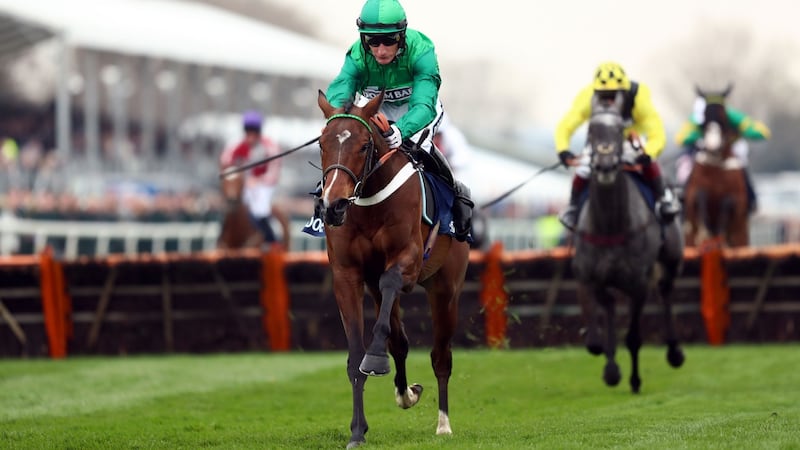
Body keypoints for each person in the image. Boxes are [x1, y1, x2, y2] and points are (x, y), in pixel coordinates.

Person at [319, 0, 474, 242]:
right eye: (373, 41)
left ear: (401, 36)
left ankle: (458, 199)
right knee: (347, 148)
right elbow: (341, 88)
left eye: (389, 40)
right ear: (364, 39)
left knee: (418, 151)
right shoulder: (357, 56)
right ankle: (326, 201)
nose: (381, 49)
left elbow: (423, 104)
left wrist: (400, 131)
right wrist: (337, 117)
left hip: (417, 112)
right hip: (375, 109)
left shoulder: (421, 50)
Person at [553, 61, 679, 231]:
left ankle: (664, 198)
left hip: (630, 141)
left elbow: (656, 131)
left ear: (624, 92)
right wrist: (563, 149)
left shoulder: (639, 95)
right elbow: (566, 125)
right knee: (583, 168)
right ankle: (573, 208)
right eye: (604, 95)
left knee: (650, 161)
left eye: (613, 95)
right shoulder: (587, 96)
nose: (608, 101)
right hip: (600, 143)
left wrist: (649, 152)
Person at [673, 95, 770, 213]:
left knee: (741, 167)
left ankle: (750, 199)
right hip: (703, 153)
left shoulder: (733, 116)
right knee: (687, 166)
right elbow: (680, 138)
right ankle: (684, 196)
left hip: (729, 152)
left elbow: (762, 132)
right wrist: (699, 136)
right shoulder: (697, 119)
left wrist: (742, 131)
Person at [219, 110, 283, 244]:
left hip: (264, 186)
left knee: (260, 208)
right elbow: (225, 162)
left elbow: (274, 172)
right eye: (248, 131)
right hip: (243, 185)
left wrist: (259, 180)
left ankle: (271, 240)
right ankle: (222, 238)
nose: (251, 136)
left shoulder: (270, 146)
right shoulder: (235, 145)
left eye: (254, 132)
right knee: (232, 208)